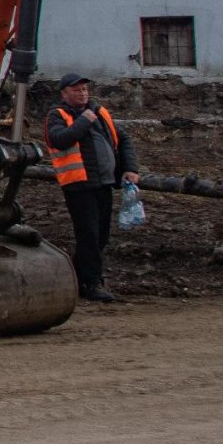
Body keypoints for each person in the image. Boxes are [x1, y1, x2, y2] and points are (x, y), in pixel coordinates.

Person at [43, 73, 137, 305]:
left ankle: (78, 277)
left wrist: (130, 168)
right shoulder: (58, 115)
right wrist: (83, 120)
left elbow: (123, 139)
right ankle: (91, 282)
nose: (82, 93)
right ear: (64, 93)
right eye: (76, 90)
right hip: (78, 185)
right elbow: (58, 140)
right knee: (89, 235)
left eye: (84, 89)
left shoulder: (99, 112)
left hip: (103, 183)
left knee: (100, 234)